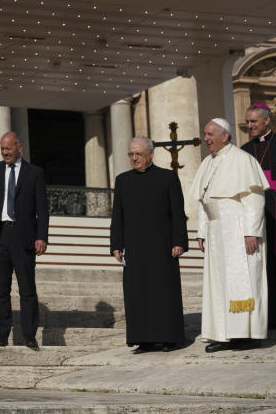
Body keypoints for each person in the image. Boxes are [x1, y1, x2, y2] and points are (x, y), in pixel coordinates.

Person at [192, 118, 269, 352]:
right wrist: (202, 231)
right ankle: (223, 332)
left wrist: (250, 233)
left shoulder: (243, 160)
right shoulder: (207, 162)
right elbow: (205, 201)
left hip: (237, 231)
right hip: (216, 234)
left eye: (210, 134)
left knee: (243, 280)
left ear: (225, 135)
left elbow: (254, 201)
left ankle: (245, 334)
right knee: (218, 284)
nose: (206, 139)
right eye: (205, 134)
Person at [109, 136, 188, 353]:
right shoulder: (122, 180)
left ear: (150, 154)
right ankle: (142, 339)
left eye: (138, 154)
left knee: (163, 292)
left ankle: (168, 338)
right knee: (137, 293)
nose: (134, 158)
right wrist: (116, 243)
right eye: (131, 154)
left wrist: (179, 241)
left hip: (162, 246)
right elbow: (118, 216)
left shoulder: (168, 178)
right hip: (134, 247)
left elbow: (178, 214)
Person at [0, 131, 49, 351]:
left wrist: (42, 236)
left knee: (27, 289)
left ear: (19, 148)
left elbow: (42, 210)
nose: (5, 152)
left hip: (23, 237)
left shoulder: (35, 173)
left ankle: (29, 335)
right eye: (2, 149)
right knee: (0, 290)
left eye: (8, 148)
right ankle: (2, 334)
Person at [242, 103, 276, 329]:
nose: (249, 125)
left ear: (266, 121)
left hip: (275, 210)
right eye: (248, 121)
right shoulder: (244, 150)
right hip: (255, 215)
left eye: (254, 121)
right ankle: (267, 317)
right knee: (262, 267)